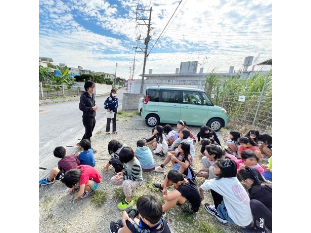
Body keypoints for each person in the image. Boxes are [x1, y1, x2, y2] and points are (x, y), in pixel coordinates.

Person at [199, 158, 253, 228]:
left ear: (222, 171)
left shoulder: (217, 183)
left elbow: (202, 187)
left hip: (238, 219)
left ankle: (220, 215)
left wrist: (201, 195)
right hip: (247, 217)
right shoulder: (234, 179)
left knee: (214, 190)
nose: (213, 167)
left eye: (215, 166)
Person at [237, 166, 272, 231]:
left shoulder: (256, 190)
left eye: (243, 181)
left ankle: (260, 230)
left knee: (254, 204)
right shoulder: (266, 184)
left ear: (249, 181)